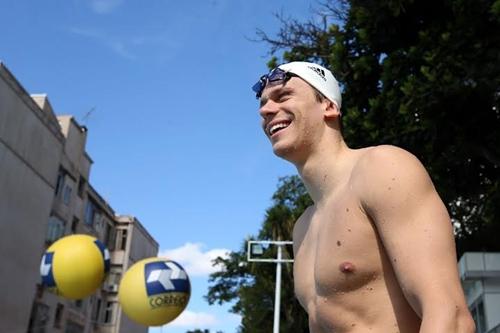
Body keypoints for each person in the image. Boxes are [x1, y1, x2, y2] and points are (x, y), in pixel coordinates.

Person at [253, 61, 475, 332]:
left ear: (329, 106)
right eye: (263, 103)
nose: (265, 110)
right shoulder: (303, 227)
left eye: (283, 96)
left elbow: (449, 317)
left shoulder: (383, 168)